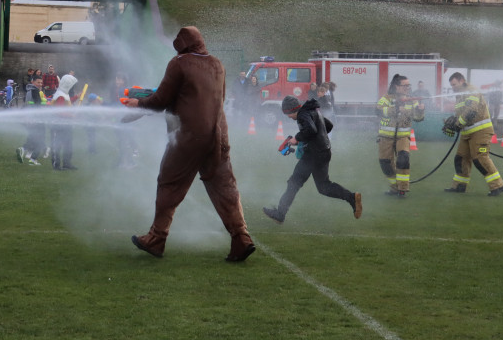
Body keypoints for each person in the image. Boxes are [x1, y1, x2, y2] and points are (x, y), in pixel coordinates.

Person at [125, 26, 256, 262]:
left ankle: (156, 238)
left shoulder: (180, 63)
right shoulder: (218, 64)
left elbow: (161, 100)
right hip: (218, 135)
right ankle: (242, 238)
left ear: (182, 44)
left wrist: (138, 104)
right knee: (224, 188)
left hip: (188, 137)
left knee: (169, 183)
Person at [263, 96, 362, 224]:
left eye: (287, 114)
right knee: (323, 186)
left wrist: (296, 138)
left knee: (294, 182)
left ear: (291, 110)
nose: (288, 117)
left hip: (313, 155)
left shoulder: (302, 115)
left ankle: (280, 214)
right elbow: (329, 126)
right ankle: (352, 198)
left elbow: (311, 129)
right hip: (324, 152)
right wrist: (314, 139)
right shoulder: (313, 111)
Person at [443, 72, 503, 196]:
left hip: (480, 130)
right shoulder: (459, 95)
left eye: (454, 84)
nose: (453, 87)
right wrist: (453, 121)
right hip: (467, 132)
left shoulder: (472, 91)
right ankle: (459, 186)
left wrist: (458, 124)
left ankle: (497, 185)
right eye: (451, 85)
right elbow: (461, 113)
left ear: (462, 80)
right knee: (461, 159)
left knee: (480, 158)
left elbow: (472, 110)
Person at [376, 74, 425, 197]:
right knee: (385, 163)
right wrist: (395, 108)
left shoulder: (412, 100)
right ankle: (394, 187)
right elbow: (378, 111)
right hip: (385, 137)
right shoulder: (386, 98)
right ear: (396, 86)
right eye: (405, 85)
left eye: (409, 85)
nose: (408, 87)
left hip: (403, 136)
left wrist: (419, 110)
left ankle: (403, 188)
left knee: (403, 159)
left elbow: (418, 118)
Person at [49, 73, 79, 170]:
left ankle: (67, 163)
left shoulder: (64, 94)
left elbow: (67, 102)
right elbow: (59, 111)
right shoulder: (60, 95)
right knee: (57, 144)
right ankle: (56, 165)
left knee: (68, 144)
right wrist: (71, 115)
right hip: (58, 124)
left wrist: (76, 97)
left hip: (65, 124)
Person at [16, 76, 46, 165]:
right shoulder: (35, 91)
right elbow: (37, 106)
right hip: (37, 119)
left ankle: (23, 150)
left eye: (41, 83)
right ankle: (32, 160)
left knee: (33, 138)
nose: (40, 84)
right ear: (33, 82)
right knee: (40, 140)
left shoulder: (29, 90)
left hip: (30, 118)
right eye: (38, 82)